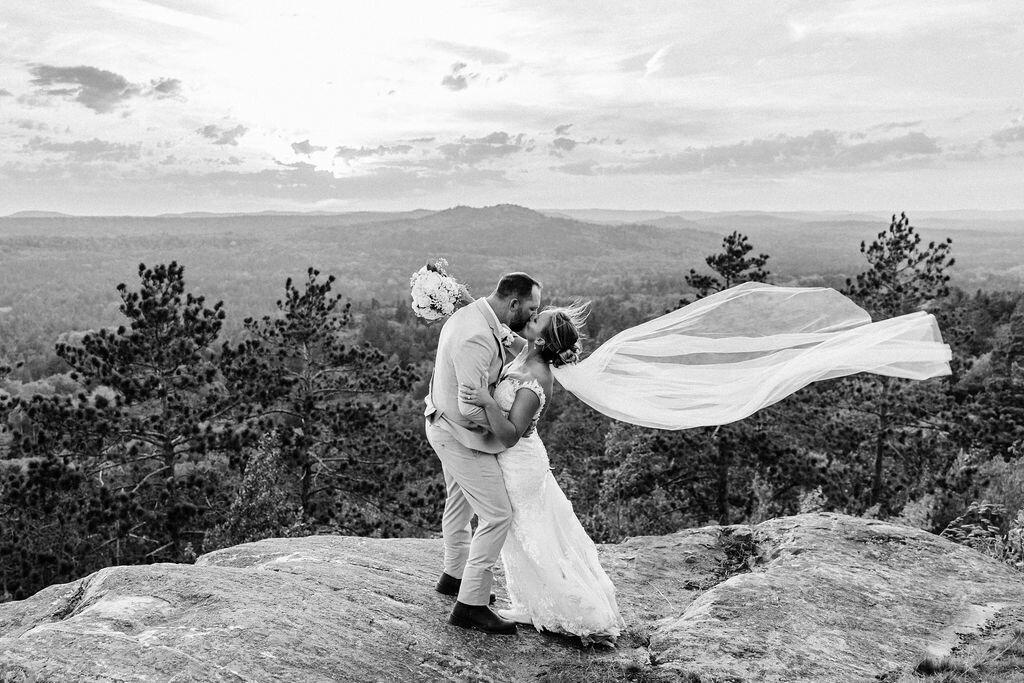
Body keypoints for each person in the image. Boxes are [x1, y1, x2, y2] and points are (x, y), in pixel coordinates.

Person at [460, 302, 625, 646]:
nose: (530, 319)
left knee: (530, 532)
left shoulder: (535, 380)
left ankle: (575, 609)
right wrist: (461, 299)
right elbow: (503, 330)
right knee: (518, 535)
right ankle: (532, 602)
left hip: (519, 463)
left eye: (537, 320)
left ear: (543, 339)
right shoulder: (526, 353)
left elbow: (508, 435)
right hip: (513, 460)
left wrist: (486, 401)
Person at [424, 272, 542, 635]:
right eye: (532, 308)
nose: (533, 315)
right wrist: (506, 419)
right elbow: (471, 407)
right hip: (459, 435)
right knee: (496, 514)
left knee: (458, 503)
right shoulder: (476, 334)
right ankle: (470, 606)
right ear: (513, 303)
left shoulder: (472, 314)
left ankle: (453, 576)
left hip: (440, 424)